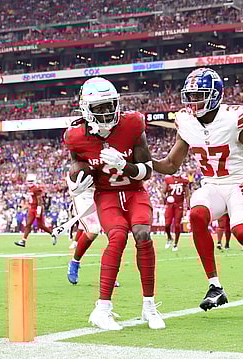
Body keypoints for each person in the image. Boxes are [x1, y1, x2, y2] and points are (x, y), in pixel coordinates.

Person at [152, 67, 243, 316]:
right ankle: (215, 286)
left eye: (199, 95)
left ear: (215, 95)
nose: (193, 102)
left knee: (242, 233)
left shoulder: (232, 118)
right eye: (190, 96)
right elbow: (171, 164)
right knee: (196, 216)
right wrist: (143, 161)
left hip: (238, 184)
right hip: (212, 185)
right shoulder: (185, 122)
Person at [63, 76, 165, 330]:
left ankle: (149, 306)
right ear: (87, 109)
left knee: (143, 234)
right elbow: (76, 166)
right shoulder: (76, 135)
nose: (107, 111)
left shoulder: (131, 123)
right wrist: (78, 181)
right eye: (100, 108)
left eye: (110, 105)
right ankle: (102, 308)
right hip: (106, 194)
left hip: (134, 190)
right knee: (117, 237)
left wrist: (124, 165)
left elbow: (147, 172)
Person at [65, 183, 120, 287]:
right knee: (93, 230)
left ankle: (110, 275)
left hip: (105, 192)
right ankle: (75, 262)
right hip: (84, 194)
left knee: (116, 233)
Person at [14, 174, 57, 247]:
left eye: (31, 181)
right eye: (29, 181)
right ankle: (23, 241)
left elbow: (39, 201)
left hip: (37, 208)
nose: (30, 182)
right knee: (28, 224)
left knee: (41, 226)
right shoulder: (31, 188)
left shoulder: (36, 188)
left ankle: (53, 234)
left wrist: (39, 211)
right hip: (32, 208)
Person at [163, 172, 190, 251]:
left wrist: (188, 205)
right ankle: (169, 238)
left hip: (179, 205)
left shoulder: (184, 180)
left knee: (177, 225)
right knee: (167, 224)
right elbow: (163, 192)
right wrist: (166, 198)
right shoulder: (168, 179)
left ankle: (175, 244)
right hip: (170, 205)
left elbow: (187, 194)